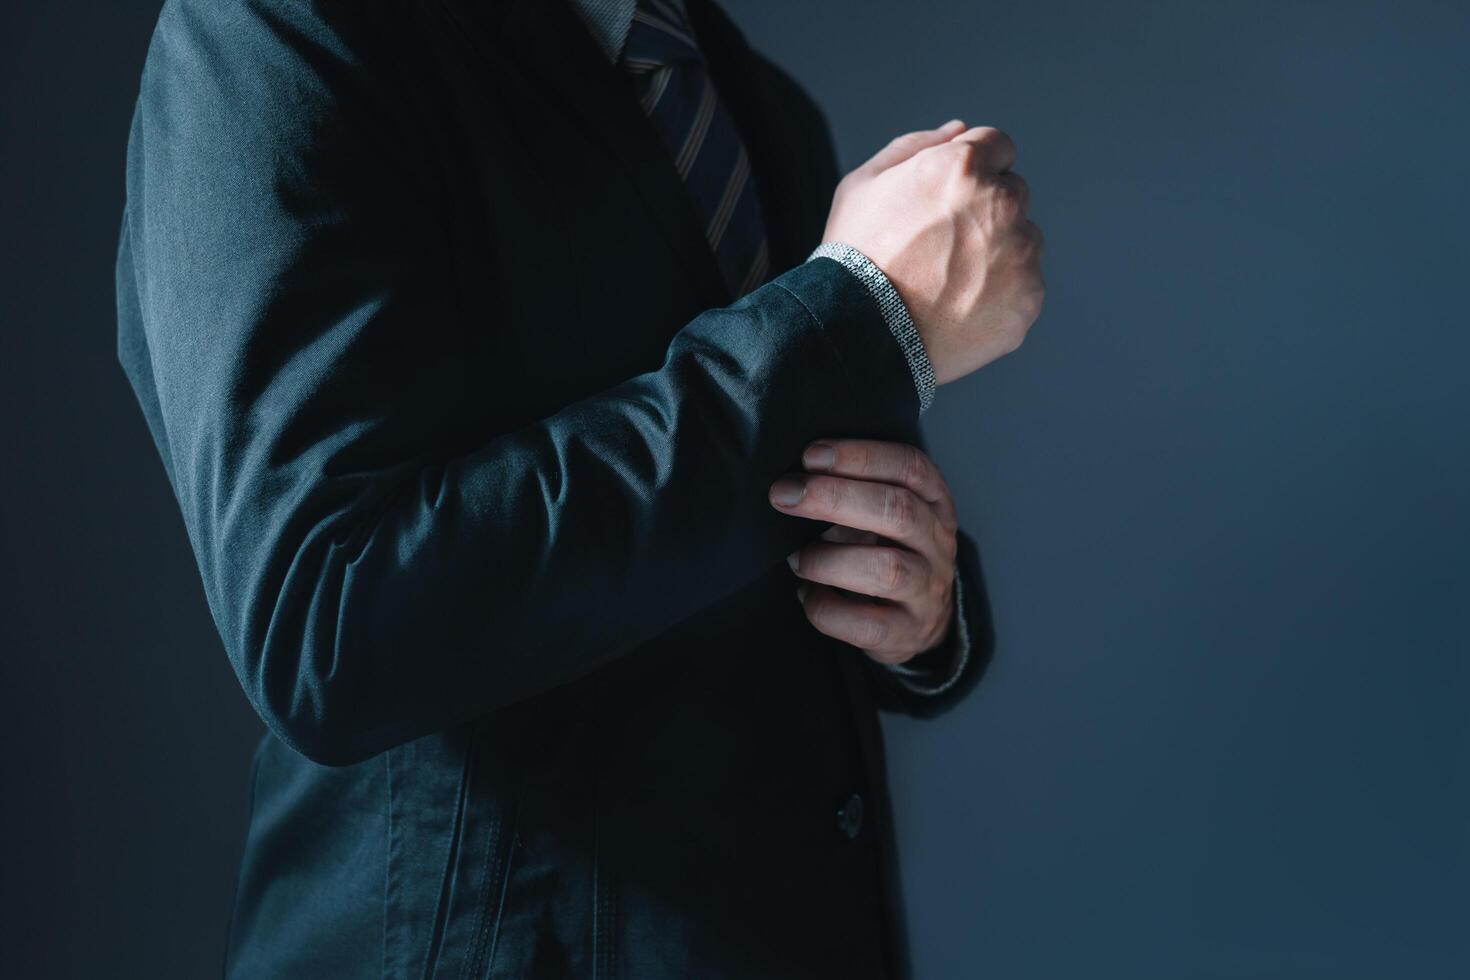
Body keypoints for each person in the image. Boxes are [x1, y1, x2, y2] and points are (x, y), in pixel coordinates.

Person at [114, 0, 1044, 975]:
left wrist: (927, 612)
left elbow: (747, 518)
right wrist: (859, 318)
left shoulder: (759, 105)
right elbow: (324, 616)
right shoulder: (276, 33)